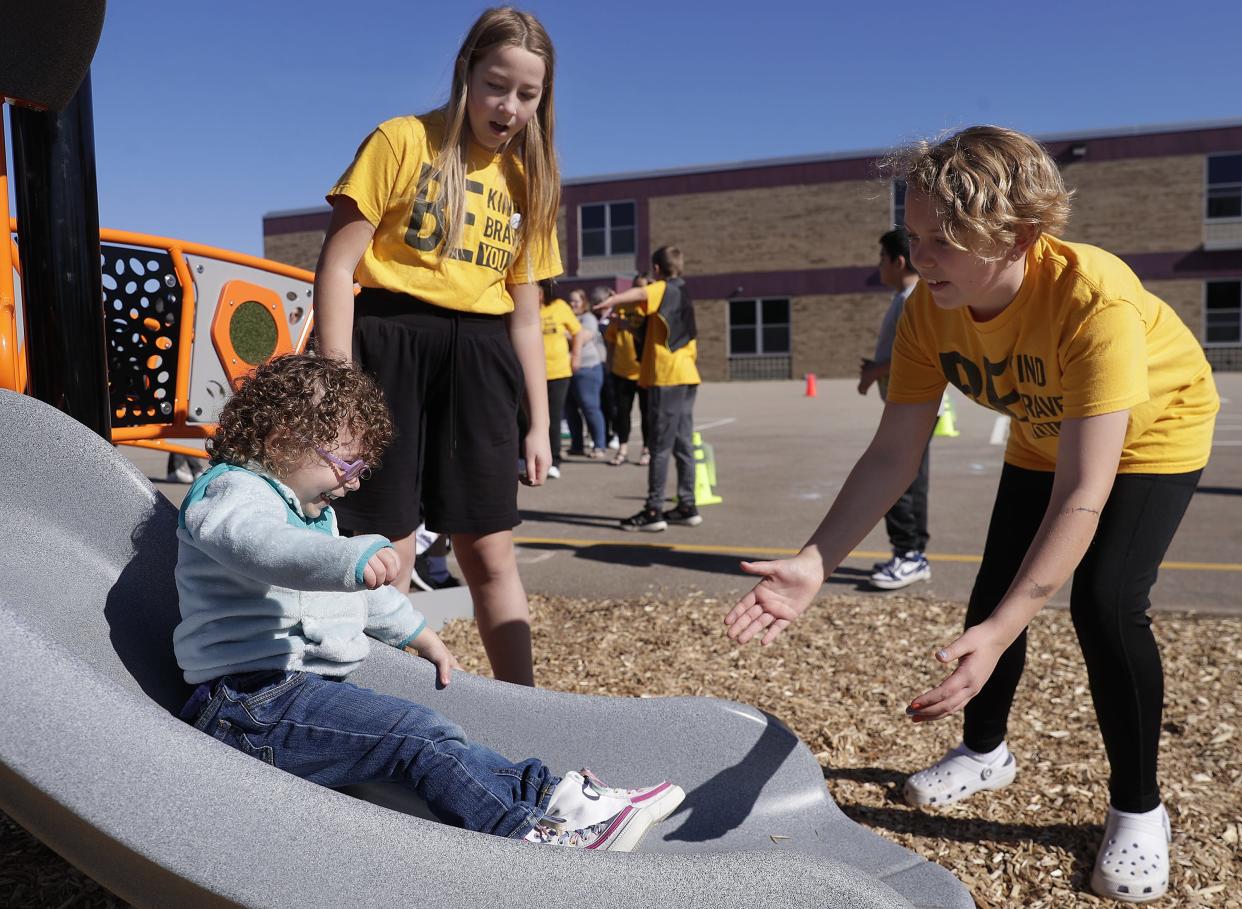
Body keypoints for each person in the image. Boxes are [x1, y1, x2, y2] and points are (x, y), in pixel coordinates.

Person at [724, 126, 1218, 903]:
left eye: (944, 240)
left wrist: (1012, 623)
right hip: (1045, 426)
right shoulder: (930, 310)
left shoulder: (1097, 300)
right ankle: (986, 750)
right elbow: (893, 453)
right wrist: (815, 559)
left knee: (1105, 602)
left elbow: (1084, 493)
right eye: (915, 235)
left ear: (1019, 233)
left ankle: (1138, 806)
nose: (920, 257)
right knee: (992, 596)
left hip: (1157, 430)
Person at [173, 354, 684, 850]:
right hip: (246, 708)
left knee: (442, 735)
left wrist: (421, 636)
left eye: (361, 470)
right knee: (415, 735)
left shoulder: (313, 516)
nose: (352, 482)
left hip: (294, 697)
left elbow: (360, 597)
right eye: (346, 464)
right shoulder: (232, 492)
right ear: (283, 440)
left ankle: (557, 798)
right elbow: (261, 547)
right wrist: (345, 557)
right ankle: (527, 838)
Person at [313, 8, 565, 686]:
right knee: (386, 549)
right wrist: (343, 393)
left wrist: (538, 421)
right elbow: (337, 269)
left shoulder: (529, 180)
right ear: (465, 74)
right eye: (495, 85)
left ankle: (525, 708)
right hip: (388, 343)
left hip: (480, 361)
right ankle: (387, 712)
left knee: (488, 553)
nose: (508, 107)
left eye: (526, 94)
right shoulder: (401, 141)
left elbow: (525, 311)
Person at [597, 247, 700, 532]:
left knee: (660, 446)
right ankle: (687, 505)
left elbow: (643, 295)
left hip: (666, 376)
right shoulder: (683, 291)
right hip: (687, 373)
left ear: (656, 269)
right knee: (682, 443)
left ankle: (654, 509)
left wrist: (613, 300)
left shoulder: (663, 289)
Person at [858, 228, 932, 590]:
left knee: (899, 481)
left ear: (897, 261)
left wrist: (874, 370)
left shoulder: (911, 298)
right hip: (905, 405)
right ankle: (911, 553)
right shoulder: (904, 296)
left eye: (881, 258)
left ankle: (909, 555)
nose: (878, 266)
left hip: (912, 408)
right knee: (908, 479)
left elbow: (911, 353)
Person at [536, 279, 582, 478]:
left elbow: (577, 332)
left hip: (558, 372)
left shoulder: (560, 307)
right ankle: (527, 458)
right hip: (534, 373)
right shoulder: (526, 309)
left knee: (553, 417)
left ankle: (554, 460)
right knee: (528, 417)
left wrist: (576, 356)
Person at [603, 277, 651, 466]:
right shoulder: (621, 309)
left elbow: (646, 339)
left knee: (646, 412)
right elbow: (612, 340)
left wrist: (629, 327)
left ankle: (647, 449)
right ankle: (622, 448)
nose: (639, 291)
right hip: (621, 370)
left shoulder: (648, 309)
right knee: (622, 412)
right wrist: (609, 361)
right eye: (637, 287)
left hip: (643, 370)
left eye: (643, 288)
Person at [564, 288, 609, 459]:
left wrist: (563, 334)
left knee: (590, 407)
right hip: (566, 371)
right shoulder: (567, 318)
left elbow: (583, 337)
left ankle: (599, 446)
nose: (572, 304)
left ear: (583, 302)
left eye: (576, 300)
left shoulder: (588, 318)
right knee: (570, 410)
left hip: (588, 369)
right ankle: (577, 446)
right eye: (570, 300)